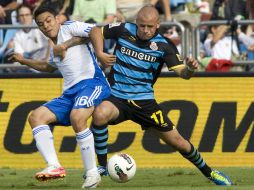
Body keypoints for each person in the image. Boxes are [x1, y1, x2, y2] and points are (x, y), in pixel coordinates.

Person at [88, 5, 233, 186]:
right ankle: (102, 167)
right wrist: (100, 53)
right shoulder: (124, 29)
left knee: (178, 142)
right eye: (142, 26)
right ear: (136, 23)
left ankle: (210, 173)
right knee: (100, 113)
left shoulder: (164, 45)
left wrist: (190, 69)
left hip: (145, 102)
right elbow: (95, 30)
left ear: (158, 25)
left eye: (150, 27)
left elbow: (183, 74)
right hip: (117, 97)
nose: (145, 30)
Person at [8, 6, 110, 189]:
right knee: (36, 117)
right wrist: (23, 60)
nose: (46, 26)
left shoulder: (69, 27)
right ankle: (54, 166)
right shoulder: (51, 45)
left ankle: (92, 174)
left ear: (56, 19)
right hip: (70, 92)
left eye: (48, 20)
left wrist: (99, 53)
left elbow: (95, 30)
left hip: (92, 83)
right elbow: (48, 67)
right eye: (40, 24)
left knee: (77, 117)